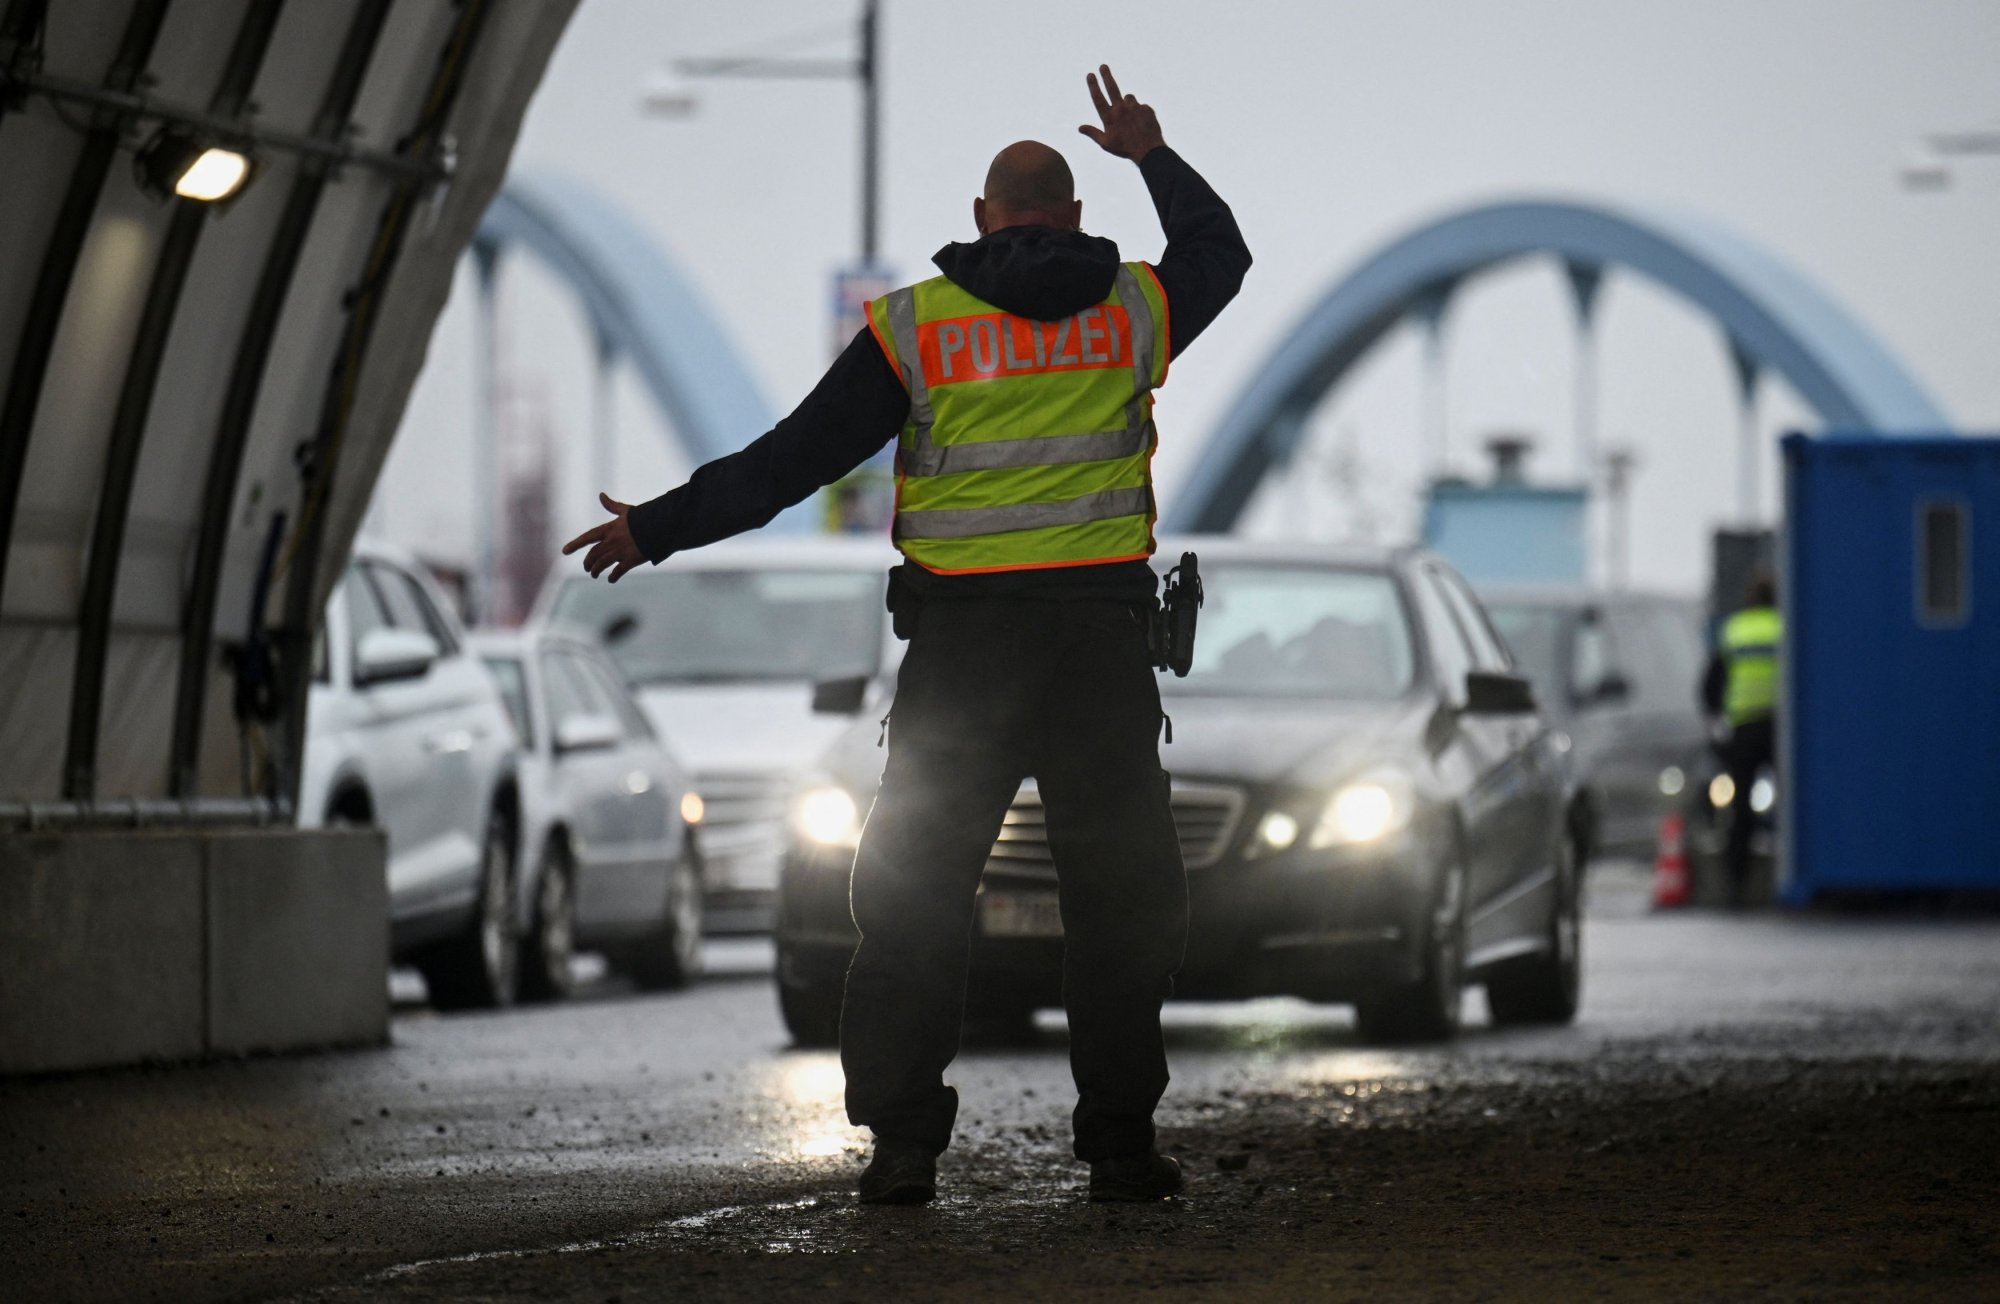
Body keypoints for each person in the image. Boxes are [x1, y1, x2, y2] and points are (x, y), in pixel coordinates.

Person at [563, 65, 1249, 1204]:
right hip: (1097, 653)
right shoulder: (1136, 306)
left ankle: (903, 1145)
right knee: (1119, 899)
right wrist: (1151, 154)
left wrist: (657, 525)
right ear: (1072, 215)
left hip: (961, 660)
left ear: (982, 218)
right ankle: (1121, 1143)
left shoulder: (916, 328)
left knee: (915, 894)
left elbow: (794, 459)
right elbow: (1219, 253)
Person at [1701, 568, 1782, 904]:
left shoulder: (1734, 630)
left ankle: (1737, 885)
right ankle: (1785, 875)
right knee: (1792, 804)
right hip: (1782, 729)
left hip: (1744, 728)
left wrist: (1717, 721)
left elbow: (1710, 685)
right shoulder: (1784, 628)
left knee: (1741, 811)